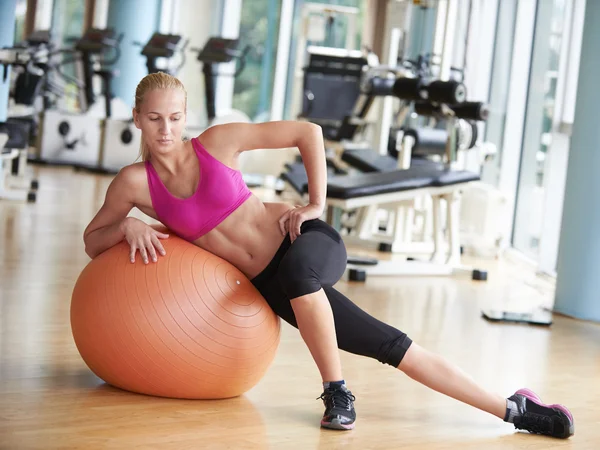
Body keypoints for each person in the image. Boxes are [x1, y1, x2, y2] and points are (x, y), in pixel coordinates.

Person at [83, 72, 574, 437]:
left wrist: (315, 202)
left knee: (298, 271)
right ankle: (515, 409)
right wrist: (126, 223)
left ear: (185, 117)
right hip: (276, 287)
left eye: (174, 117)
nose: (165, 129)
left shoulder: (218, 142)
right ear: (137, 118)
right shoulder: (134, 184)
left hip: (304, 243)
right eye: (153, 118)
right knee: (393, 346)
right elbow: (93, 239)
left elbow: (308, 133)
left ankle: (337, 391)